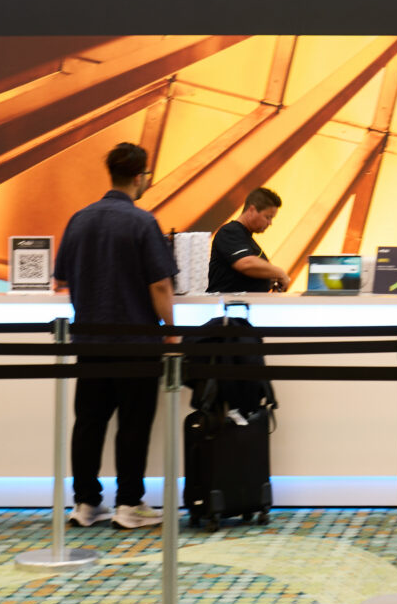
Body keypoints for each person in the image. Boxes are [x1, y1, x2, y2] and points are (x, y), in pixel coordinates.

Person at [55, 142, 177, 529]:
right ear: (141, 177)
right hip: (136, 341)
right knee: (133, 424)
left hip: (90, 339)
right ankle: (129, 504)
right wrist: (171, 333)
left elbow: (62, 280)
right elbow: (160, 286)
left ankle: (86, 504)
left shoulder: (79, 220)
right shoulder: (143, 223)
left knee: (88, 422)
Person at [206, 188, 288, 294]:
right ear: (251, 210)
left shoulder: (247, 240)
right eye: (268, 217)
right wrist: (279, 273)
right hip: (229, 307)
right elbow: (246, 263)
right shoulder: (229, 232)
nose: (270, 223)